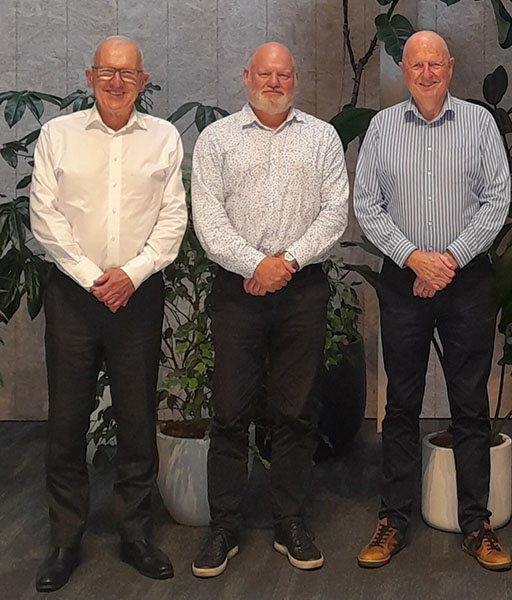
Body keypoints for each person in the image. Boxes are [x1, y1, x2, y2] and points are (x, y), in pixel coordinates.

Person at [29, 36, 187, 592]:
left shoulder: (164, 138)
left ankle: (135, 533)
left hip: (137, 295)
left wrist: (131, 275)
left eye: (128, 73)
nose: (116, 81)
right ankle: (64, 539)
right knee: (67, 422)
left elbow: (172, 220)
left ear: (143, 82)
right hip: (74, 296)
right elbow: (43, 216)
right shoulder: (58, 135)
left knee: (137, 420)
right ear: (89, 75)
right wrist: (91, 275)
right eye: (106, 71)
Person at [353, 30, 511, 571]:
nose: (425, 73)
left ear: (450, 67)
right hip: (402, 281)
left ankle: (476, 524)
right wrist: (414, 258)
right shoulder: (380, 128)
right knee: (400, 404)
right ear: (404, 71)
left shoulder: (479, 124)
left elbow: (497, 200)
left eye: (434, 64)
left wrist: (448, 260)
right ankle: (393, 520)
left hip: (466, 282)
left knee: (470, 404)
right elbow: (367, 206)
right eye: (416, 64)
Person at [190, 42, 348, 578]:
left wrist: (287, 262)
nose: (275, 82)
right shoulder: (215, 141)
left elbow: (335, 215)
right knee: (230, 413)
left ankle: (290, 521)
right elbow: (208, 224)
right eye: (265, 73)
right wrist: (257, 265)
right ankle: (223, 528)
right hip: (237, 294)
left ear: (295, 80)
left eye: (284, 74)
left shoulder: (322, 137)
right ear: (246, 77)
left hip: (302, 291)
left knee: (295, 411)